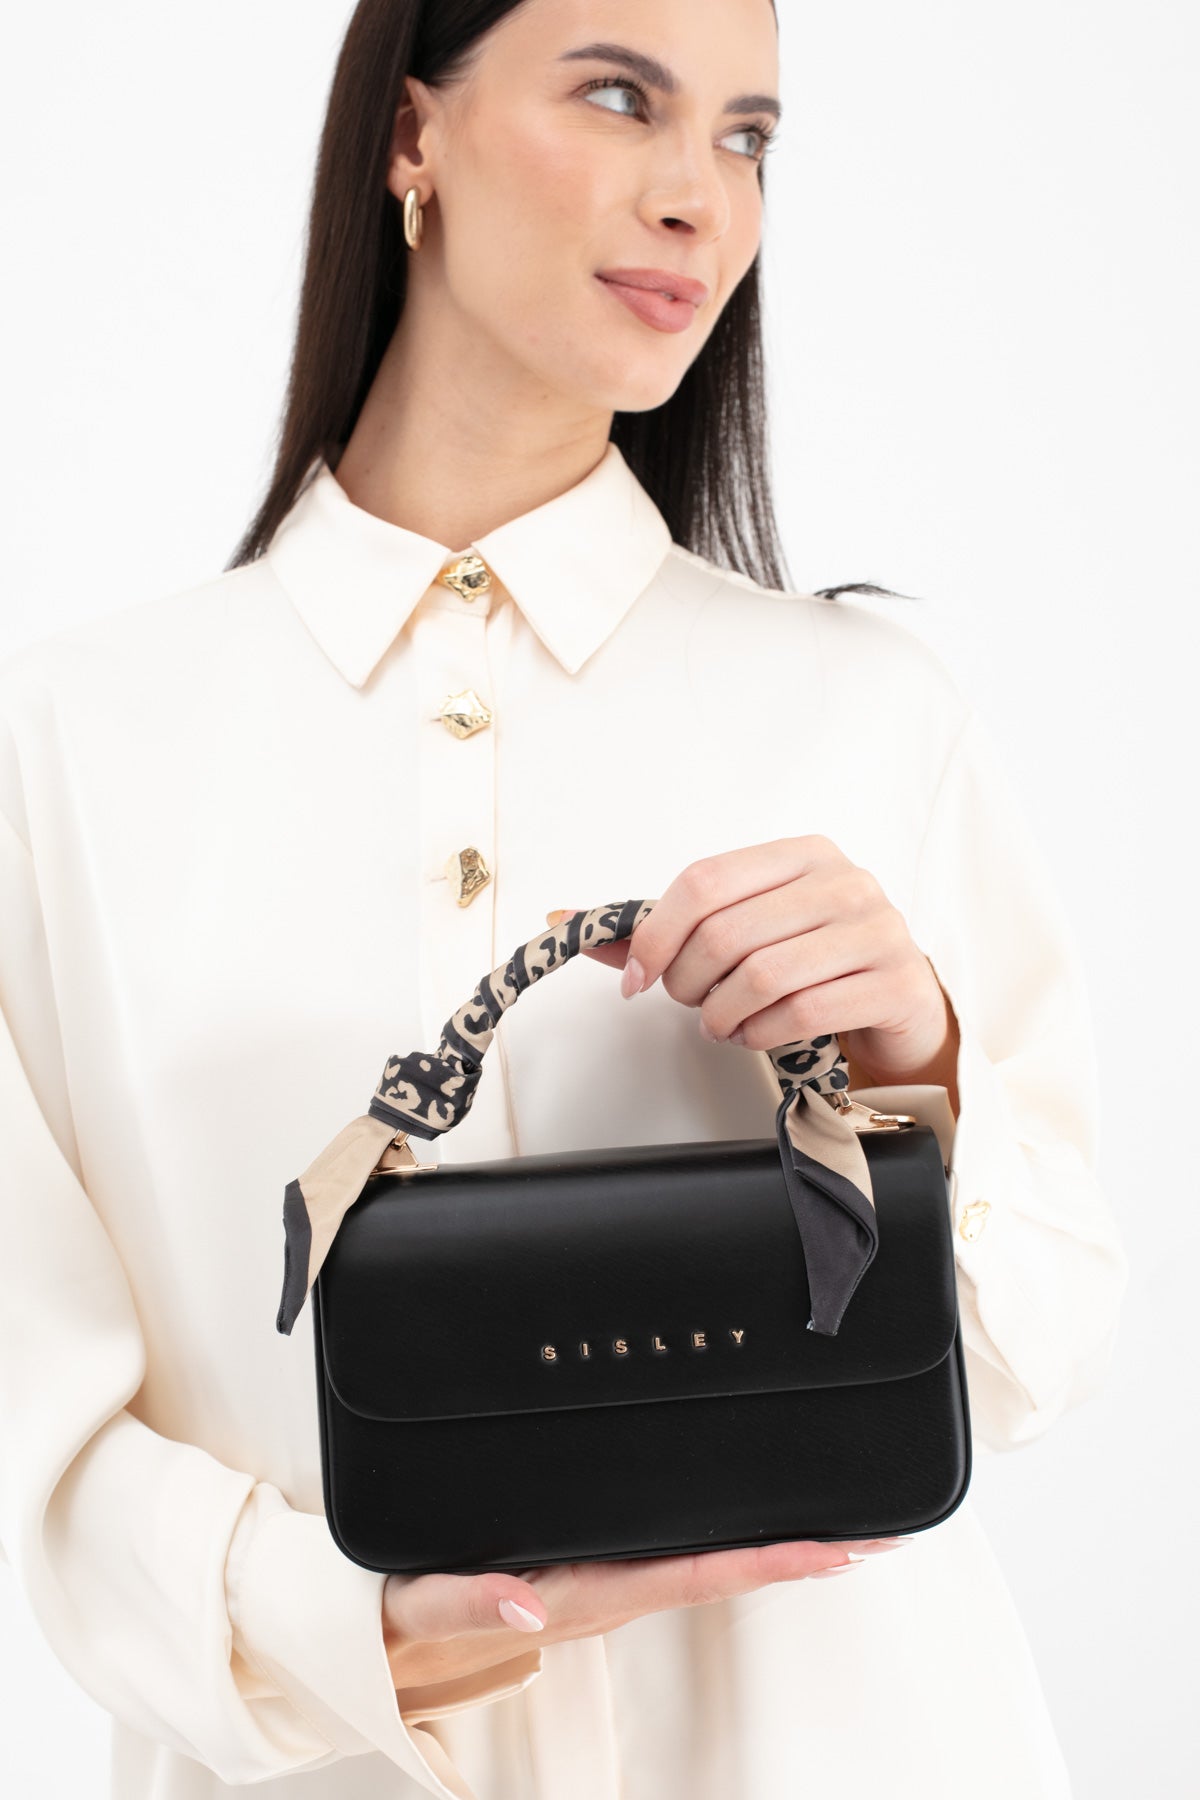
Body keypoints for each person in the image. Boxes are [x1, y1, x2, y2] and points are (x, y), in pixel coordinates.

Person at [0, 2, 1129, 1797]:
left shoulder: (866, 711)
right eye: (619, 98)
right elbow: (31, 1406)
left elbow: (1038, 1347)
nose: (700, 198)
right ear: (413, 138)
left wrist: (916, 1057)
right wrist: (337, 1625)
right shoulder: (72, 743)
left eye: (747, 137)